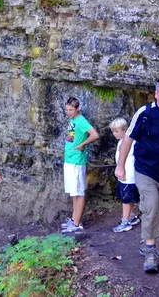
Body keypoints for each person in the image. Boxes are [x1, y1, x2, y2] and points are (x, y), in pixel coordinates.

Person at [116, 79, 159, 273]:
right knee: (150, 205)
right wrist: (120, 165)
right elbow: (128, 139)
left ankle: (149, 242)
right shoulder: (145, 113)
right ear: (155, 94)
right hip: (144, 169)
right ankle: (150, 250)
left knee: (157, 210)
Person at [61, 97, 100, 233]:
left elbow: (95, 135)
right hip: (70, 159)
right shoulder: (73, 120)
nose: (68, 112)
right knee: (74, 192)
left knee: (79, 192)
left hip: (77, 161)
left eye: (71, 110)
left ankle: (77, 224)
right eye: (67, 109)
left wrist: (83, 145)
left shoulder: (81, 121)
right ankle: (73, 219)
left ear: (78, 109)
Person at [110, 117, 140, 234]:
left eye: (117, 131)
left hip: (129, 175)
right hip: (124, 175)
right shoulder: (121, 141)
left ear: (124, 130)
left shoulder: (131, 142)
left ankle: (125, 221)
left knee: (126, 200)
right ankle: (132, 216)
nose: (114, 134)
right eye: (113, 131)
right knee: (127, 197)